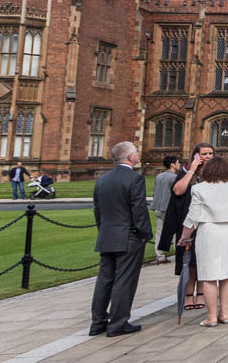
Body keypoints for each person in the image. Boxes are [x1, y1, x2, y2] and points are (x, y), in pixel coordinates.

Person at [178, 156, 228, 326]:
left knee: (208, 276)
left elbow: (192, 217)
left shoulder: (199, 189)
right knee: (227, 275)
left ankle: (211, 317)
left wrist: (184, 237)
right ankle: (224, 314)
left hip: (209, 232)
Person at [90, 141, 152, 338]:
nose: (139, 154)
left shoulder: (102, 179)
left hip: (107, 236)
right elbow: (139, 211)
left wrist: (104, 230)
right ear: (130, 157)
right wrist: (144, 234)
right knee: (124, 281)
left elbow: (98, 211)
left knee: (104, 281)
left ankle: (98, 322)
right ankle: (118, 324)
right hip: (128, 237)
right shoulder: (135, 179)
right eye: (136, 152)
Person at [158, 141, 214, 311]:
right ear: (196, 155)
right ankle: (189, 296)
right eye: (204, 154)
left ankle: (201, 295)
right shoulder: (186, 172)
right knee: (189, 262)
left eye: (210, 153)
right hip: (189, 223)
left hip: (208, 223)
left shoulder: (215, 172)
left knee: (204, 262)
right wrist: (191, 170)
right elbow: (178, 191)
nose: (208, 157)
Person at [152, 155, 180, 264]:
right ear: (172, 164)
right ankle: (179, 253)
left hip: (158, 207)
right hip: (169, 208)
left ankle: (159, 255)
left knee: (160, 232)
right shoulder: (174, 178)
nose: (179, 165)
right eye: (177, 163)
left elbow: (155, 192)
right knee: (176, 231)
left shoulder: (159, 176)